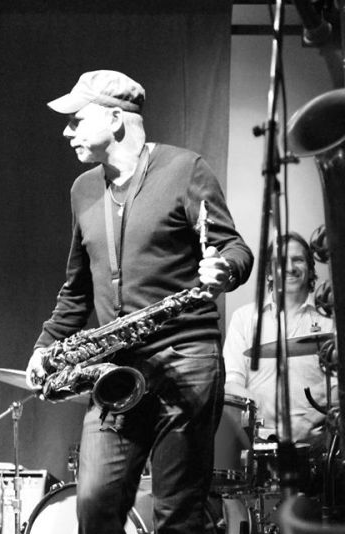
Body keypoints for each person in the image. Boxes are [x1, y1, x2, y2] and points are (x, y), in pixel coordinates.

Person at [25, 70, 253, 533]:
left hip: (186, 361)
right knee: (94, 505)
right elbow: (76, 289)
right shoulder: (83, 189)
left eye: (76, 120)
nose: (66, 132)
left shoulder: (186, 169)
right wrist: (44, 346)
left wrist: (225, 270)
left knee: (178, 516)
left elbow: (235, 248)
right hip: (117, 367)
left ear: (115, 118)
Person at [223, 231, 336, 444]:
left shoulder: (329, 321)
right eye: (281, 261)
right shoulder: (244, 318)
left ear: (310, 270)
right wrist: (261, 413)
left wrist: (306, 422)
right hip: (260, 440)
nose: (290, 267)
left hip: (316, 441)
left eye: (298, 260)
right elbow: (231, 384)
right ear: (269, 273)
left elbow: (338, 386)